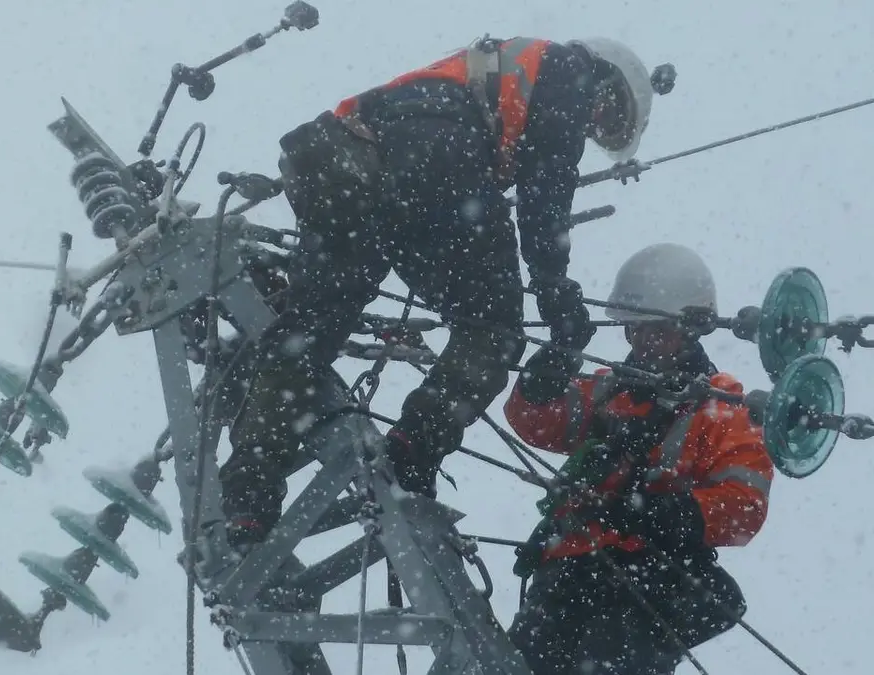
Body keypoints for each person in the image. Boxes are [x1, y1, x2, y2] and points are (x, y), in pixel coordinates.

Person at [217, 35, 671, 551]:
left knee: (307, 333)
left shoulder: (490, 66)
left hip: (338, 160)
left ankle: (249, 488)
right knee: (492, 332)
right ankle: (414, 447)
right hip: (436, 162)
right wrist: (556, 293)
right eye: (606, 114)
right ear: (605, 78)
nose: (593, 125)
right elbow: (546, 193)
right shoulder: (569, 68)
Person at [502, 243, 774, 675]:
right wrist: (557, 354)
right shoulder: (610, 388)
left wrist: (649, 512)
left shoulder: (722, 407)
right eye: (635, 330)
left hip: (649, 576)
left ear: (691, 330)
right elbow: (534, 420)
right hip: (569, 573)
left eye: (658, 331)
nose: (645, 342)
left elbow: (744, 505)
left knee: (610, 658)